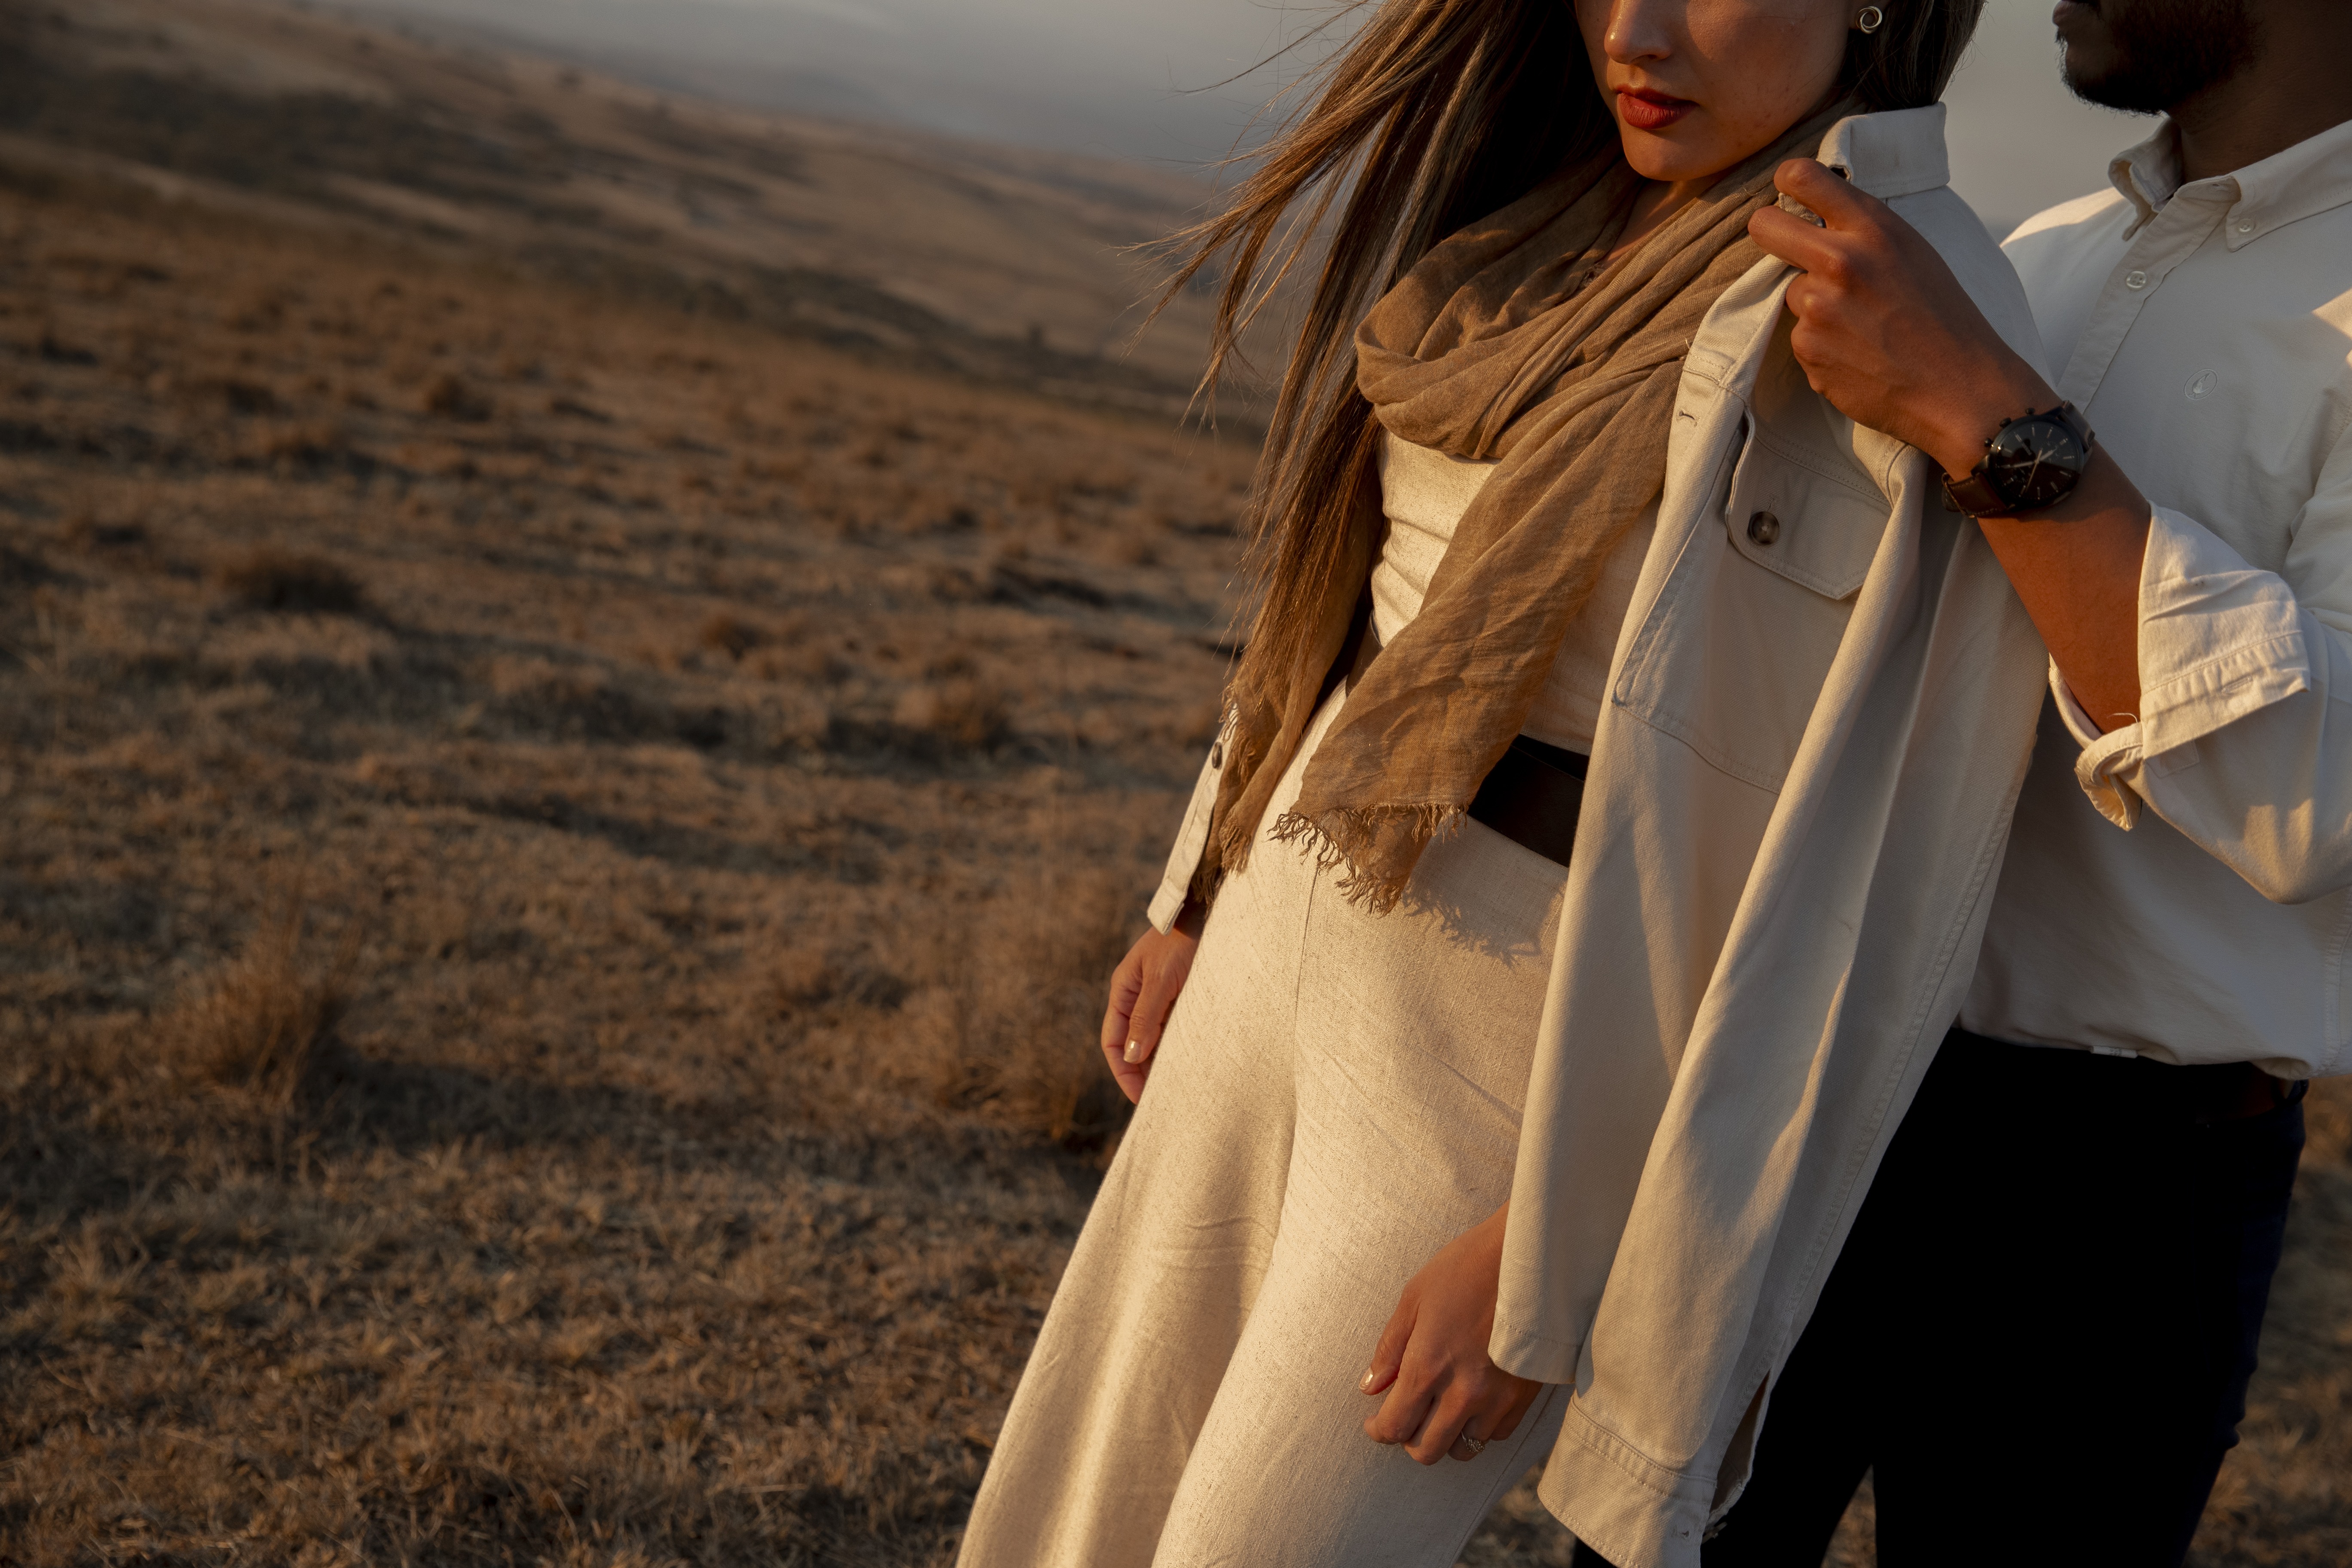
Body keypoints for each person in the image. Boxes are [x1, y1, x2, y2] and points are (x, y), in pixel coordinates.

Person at [957, 1, 2052, 1565]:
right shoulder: (1541, 222)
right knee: (1081, 1509)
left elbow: (1851, 879)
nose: (1640, 29)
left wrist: (1560, 1237)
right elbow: (1357, 613)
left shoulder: (1910, 302)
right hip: (1293, 909)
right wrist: (1201, 887)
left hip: (1515, 1053)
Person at [1562, 0, 2352, 1564]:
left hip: (2125, 1214)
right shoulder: (2030, 257)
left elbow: (2317, 797)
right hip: (1815, 1080)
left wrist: (1984, 415)